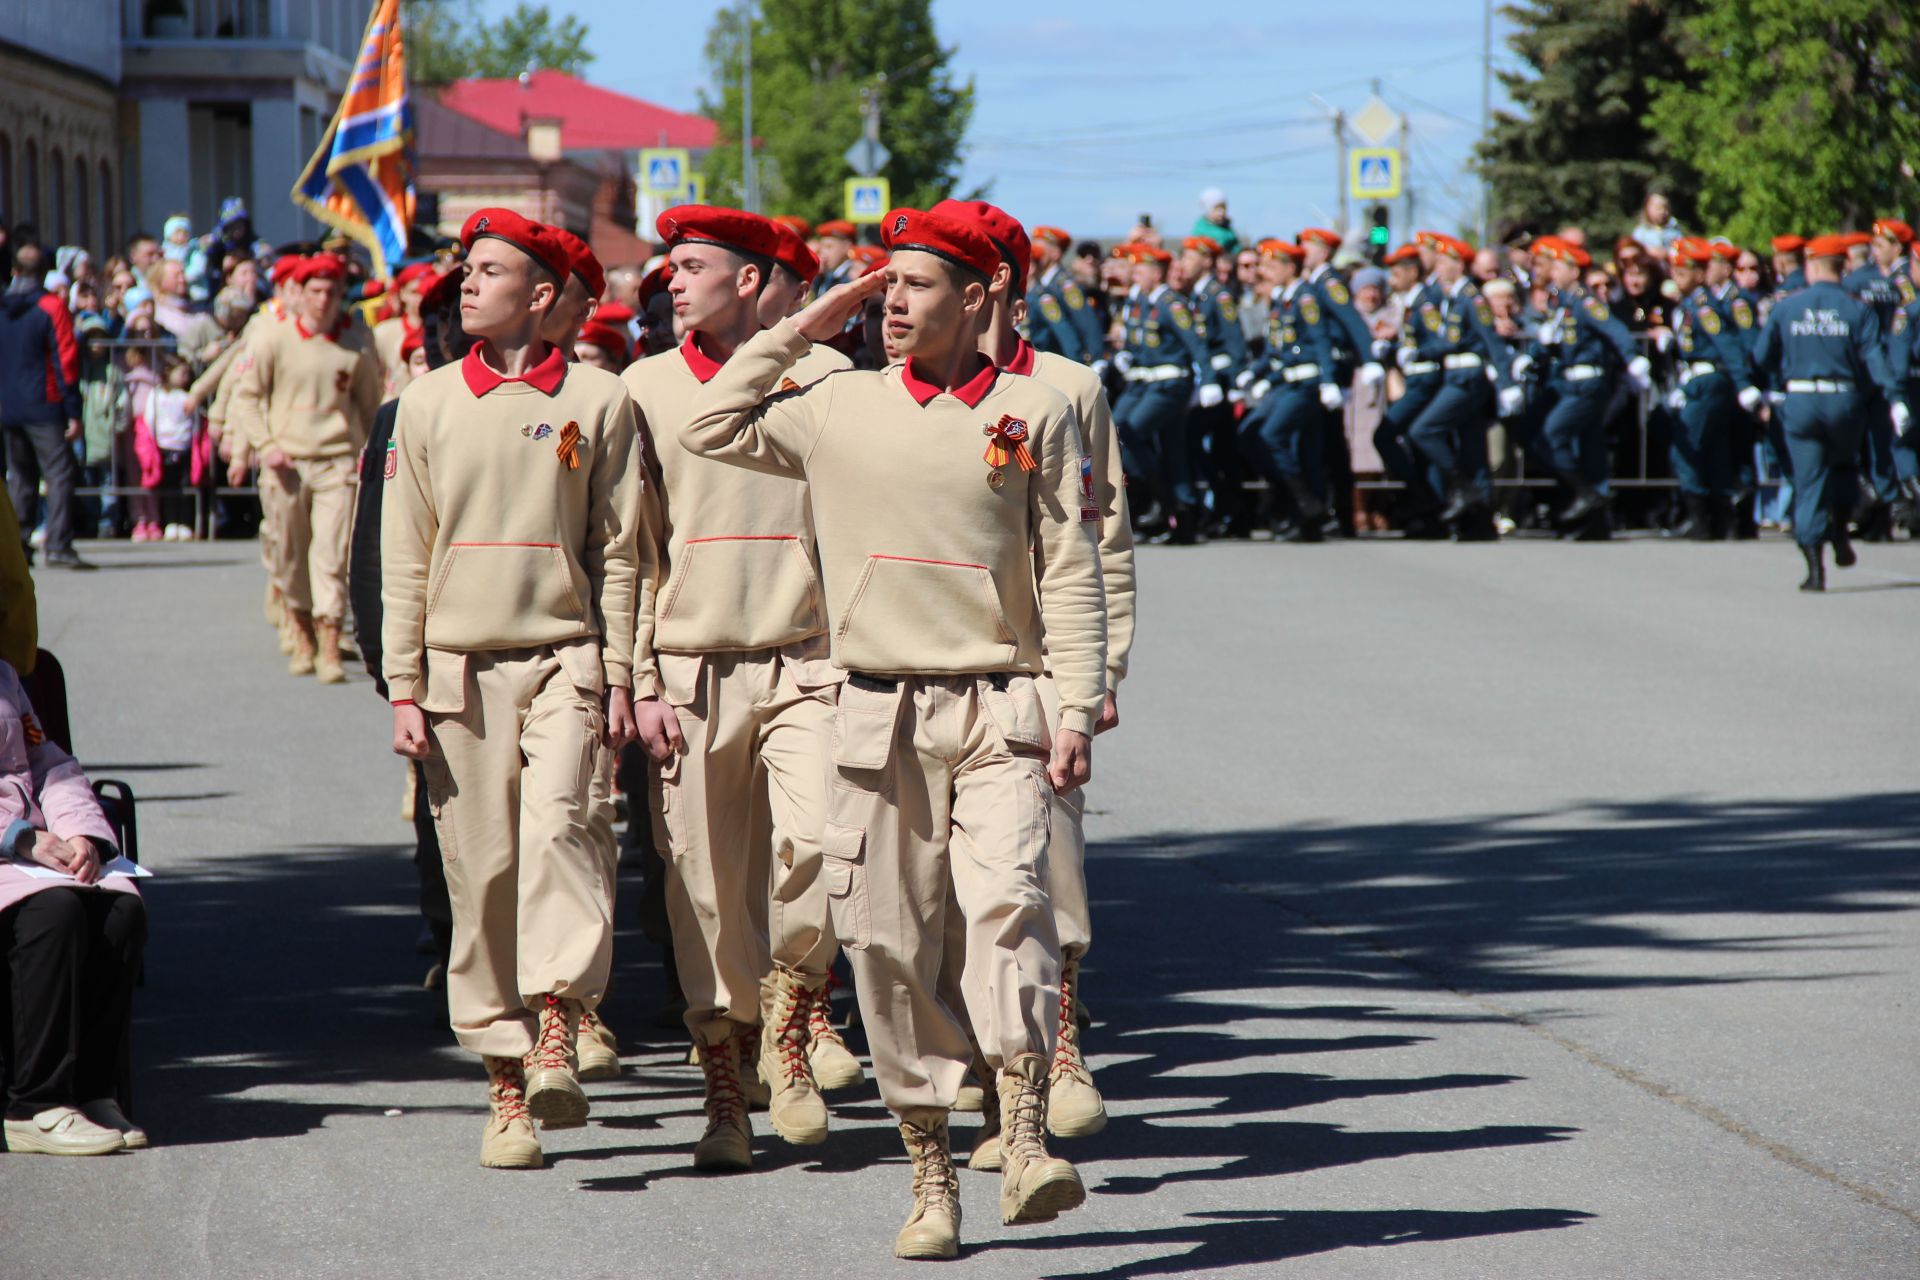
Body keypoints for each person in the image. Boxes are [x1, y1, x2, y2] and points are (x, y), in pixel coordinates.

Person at [682, 205, 1104, 1260]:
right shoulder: (834, 404)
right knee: (888, 944)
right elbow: (708, 425)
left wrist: (1077, 700)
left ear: (978, 298)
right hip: (870, 714)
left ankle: (1022, 1130)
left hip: (1000, 704)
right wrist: (806, 325)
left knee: (1012, 905)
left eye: (917, 285)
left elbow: (1070, 568)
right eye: (885, 287)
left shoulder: (1035, 409)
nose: (896, 304)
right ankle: (930, 1173)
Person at [383, 208, 643, 1170]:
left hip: (565, 661)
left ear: (542, 297)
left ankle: (557, 1031)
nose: (467, 283)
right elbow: (403, 557)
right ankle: (505, 1087)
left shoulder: (602, 399)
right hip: (458, 674)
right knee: (482, 875)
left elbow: (619, 553)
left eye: (488, 270)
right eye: (466, 268)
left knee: (564, 837)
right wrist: (404, 689)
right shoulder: (427, 403)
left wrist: (620, 671)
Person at [619, 205, 857, 1170]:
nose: (672, 280)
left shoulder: (831, 378)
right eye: (669, 266)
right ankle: (728, 1083)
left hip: (808, 661)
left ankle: (796, 1020)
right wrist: (637, 680)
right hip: (688, 672)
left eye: (693, 265)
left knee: (821, 850)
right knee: (704, 895)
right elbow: (627, 552)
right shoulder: (639, 387)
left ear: (752, 280)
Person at [938, 197, 1133, 1148]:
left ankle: (1059, 1048)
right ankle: (984, 1075)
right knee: (947, 893)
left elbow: (1103, 543)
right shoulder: (893, 389)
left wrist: (1098, 675)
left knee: (1047, 869)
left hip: (1040, 674)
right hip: (929, 677)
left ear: (998, 283)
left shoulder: (1067, 388)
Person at [0, 658, 147, 1156]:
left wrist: (82, 834)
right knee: (54, 912)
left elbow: (49, 765)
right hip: (13, 848)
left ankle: (91, 1091)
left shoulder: (4, 676)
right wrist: (19, 838)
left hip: (33, 848)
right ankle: (33, 1106)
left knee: (120, 913)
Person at [228, 254, 382, 683]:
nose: (323, 299)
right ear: (301, 294)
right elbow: (247, 397)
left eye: (332, 291)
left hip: (338, 462)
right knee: (292, 556)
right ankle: (300, 633)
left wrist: (372, 456)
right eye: (315, 291)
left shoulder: (355, 342)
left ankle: (330, 640)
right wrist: (265, 446)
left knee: (332, 556)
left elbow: (370, 409)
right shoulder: (273, 337)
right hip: (287, 464)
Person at [1750, 234, 1903, 590]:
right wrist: (1894, 398)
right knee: (1844, 468)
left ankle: (1814, 568)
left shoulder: (1787, 307)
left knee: (1808, 482)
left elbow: (1760, 356)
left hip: (1801, 399)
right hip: (1844, 400)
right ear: (1842, 266)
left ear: (1812, 266)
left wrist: (1782, 372)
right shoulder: (1857, 308)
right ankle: (1839, 528)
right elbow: (1875, 360)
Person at [1520, 236, 1651, 538]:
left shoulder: (1585, 301)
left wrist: (1633, 358)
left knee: (1551, 436)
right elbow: (1551, 340)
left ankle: (1586, 494)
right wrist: (1531, 357)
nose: (1552, 273)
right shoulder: (1563, 304)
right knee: (1590, 448)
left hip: (1587, 382)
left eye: (1558, 267)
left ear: (1573, 271)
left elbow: (1615, 329)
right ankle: (1594, 520)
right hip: (1572, 382)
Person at [1404, 233, 1521, 535]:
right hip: (1455, 374)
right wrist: (1417, 352)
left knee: (1423, 430)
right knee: (1473, 449)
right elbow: (1449, 343)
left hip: (1466, 379)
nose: (1439, 266)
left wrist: (1507, 382)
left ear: (1458, 264)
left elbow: (1490, 340)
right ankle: (1479, 520)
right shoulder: (1454, 298)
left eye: (1445, 261)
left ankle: (1462, 487)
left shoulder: (1471, 298)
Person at [1661, 238, 1764, 539]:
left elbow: (1729, 345)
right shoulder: (1690, 304)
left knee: (1686, 448)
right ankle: (1720, 520)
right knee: (1717, 450)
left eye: (1683, 271)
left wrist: (1746, 384)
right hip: (1701, 380)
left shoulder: (1704, 306)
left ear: (1699, 274)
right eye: (1674, 271)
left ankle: (1702, 519)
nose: (1676, 277)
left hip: (1708, 382)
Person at [1110, 242, 1210, 543]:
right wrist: (1126, 355)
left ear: (1155, 273)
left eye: (1140, 269)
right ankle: (1179, 516)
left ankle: (1163, 501)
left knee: (1128, 433)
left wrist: (1209, 382)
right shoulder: (1140, 301)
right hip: (1143, 384)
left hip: (1169, 386)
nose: (1135, 273)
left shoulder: (1170, 303)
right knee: (1126, 436)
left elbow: (1195, 344)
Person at [1, 245, 88, 569]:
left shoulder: (3, 306)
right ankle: (58, 543)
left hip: (8, 404)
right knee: (59, 473)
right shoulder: (51, 306)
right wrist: (73, 408)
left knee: (19, 478)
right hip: (44, 402)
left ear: (14, 271)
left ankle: (18, 545)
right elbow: (65, 358)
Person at [1025, 226, 1105, 364]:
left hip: (1069, 360)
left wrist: (1095, 359)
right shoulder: (1039, 284)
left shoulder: (1066, 285)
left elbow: (1087, 324)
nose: (1035, 253)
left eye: (1040, 249)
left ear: (1055, 253)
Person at [1630, 191, 1683, 257]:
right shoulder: (1641, 232)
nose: (1662, 212)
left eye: (1666, 208)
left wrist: (1667, 252)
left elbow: (1680, 250)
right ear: (1647, 208)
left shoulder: (1674, 231)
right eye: (1658, 208)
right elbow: (1634, 251)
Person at [1190, 187, 1240, 256]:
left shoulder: (1228, 230)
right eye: (1216, 208)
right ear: (1207, 209)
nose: (1221, 212)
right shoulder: (1200, 230)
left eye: (1223, 208)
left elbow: (1237, 249)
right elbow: (1199, 249)